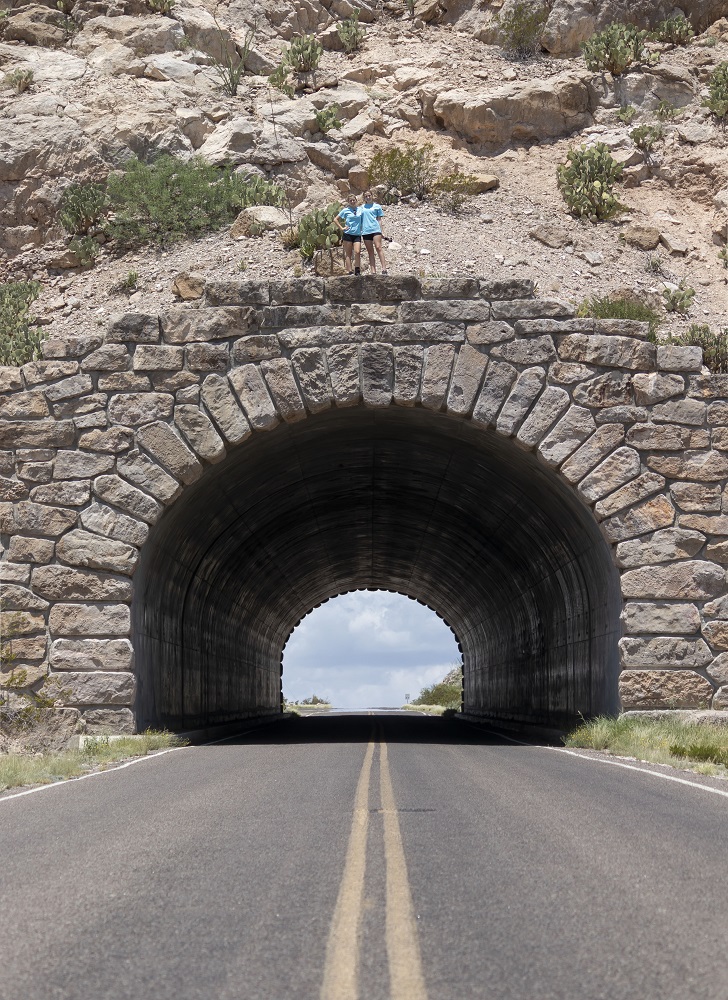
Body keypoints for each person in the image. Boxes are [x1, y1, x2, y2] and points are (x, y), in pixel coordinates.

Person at [360, 189, 388, 275]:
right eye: (366, 196)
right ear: (364, 198)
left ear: (372, 196)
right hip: (366, 231)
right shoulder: (361, 208)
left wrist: (382, 231)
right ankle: (373, 271)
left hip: (375, 229)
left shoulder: (377, 206)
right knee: (370, 251)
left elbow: (379, 219)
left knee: (378, 247)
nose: (368, 197)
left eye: (369, 195)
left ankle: (384, 269)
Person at [334, 194, 362, 275]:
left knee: (357, 252)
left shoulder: (360, 209)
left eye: (353, 200)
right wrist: (342, 228)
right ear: (348, 202)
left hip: (357, 234)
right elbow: (335, 219)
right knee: (348, 253)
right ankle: (349, 271)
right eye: (350, 200)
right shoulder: (345, 210)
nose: (352, 202)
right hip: (348, 234)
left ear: (356, 200)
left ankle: (357, 270)